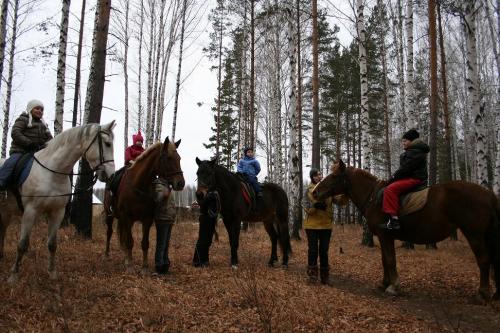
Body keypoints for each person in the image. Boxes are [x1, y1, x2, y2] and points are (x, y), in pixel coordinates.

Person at [381, 128, 430, 230]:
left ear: (412, 141)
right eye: (402, 141)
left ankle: (394, 220)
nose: (403, 143)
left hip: (415, 179)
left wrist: (393, 178)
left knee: (389, 189)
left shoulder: (415, 151)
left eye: (405, 141)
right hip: (412, 177)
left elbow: (405, 169)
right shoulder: (414, 151)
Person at [0, 99, 52, 191]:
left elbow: (49, 139)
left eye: (41, 109)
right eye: (37, 108)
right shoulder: (23, 119)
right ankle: (1, 181)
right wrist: (29, 143)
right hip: (21, 151)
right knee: (11, 163)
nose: (40, 111)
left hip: (37, 153)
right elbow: (15, 133)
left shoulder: (44, 125)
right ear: (30, 109)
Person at [304, 168, 334, 285]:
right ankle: (312, 276)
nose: (318, 176)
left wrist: (345, 193)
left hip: (326, 225)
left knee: (324, 251)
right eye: (316, 175)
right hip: (312, 226)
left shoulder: (328, 189)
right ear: (312, 177)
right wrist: (316, 205)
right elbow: (307, 208)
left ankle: (325, 277)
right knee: (313, 250)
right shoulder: (308, 190)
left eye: (320, 174)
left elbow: (340, 200)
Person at [152, 177, 177, 275]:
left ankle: (165, 264)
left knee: (166, 243)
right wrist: (164, 194)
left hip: (169, 218)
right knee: (161, 244)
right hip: (162, 218)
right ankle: (159, 266)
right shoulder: (159, 184)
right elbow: (157, 200)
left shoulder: (167, 185)